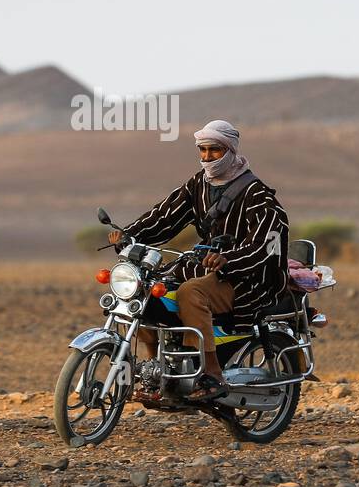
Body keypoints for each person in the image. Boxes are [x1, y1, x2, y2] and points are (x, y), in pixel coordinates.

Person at [109, 120, 289, 401]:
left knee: (191, 292)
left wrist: (227, 259)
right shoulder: (198, 185)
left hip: (249, 281)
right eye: (202, 150)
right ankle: (157, 372)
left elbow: (265, 248)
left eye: (214, 150)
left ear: (230, 150)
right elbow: (165, 216)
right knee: (145, 288)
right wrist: (130, 234)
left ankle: (213, 374)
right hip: (203, 267)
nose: (206, 157)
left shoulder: (258, 197)